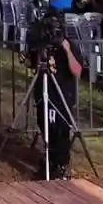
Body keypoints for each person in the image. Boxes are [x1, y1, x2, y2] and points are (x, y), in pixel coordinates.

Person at [31, 18, 85, 180]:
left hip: (63, 95)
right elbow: (31, 62)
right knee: (46, 126)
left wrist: (67, 51)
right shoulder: (41, 45)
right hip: (44, 93)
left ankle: (60, 163)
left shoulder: (68, 45)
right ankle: (49, 159)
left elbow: (77, 71)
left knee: (61, 131)